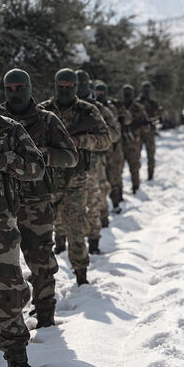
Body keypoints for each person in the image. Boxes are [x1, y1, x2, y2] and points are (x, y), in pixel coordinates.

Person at [0, 69, 78, 328]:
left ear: (29, 88)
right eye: (9, 89)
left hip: (36, 203)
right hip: (1, 204)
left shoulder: (47, 120)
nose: (14, 93)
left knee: (42, 261)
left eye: (19, 88)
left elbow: (70, 157)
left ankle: (45, 316)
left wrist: (38, 155)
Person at [0, 71, 45, 367]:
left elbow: (37, 167)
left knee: (5, 293)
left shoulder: (6, 128)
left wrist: (1, 160)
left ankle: (17, 361)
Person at [41, 68, 110, 285]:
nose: (65, 90)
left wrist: (81, 141)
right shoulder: (43, 110)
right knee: (42, 232)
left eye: (69, 86)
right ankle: (42, 279)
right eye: (61, 86)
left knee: (76, 228)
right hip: (48, 180)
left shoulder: (87, 111)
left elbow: (106, 139)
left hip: (76, 179)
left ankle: (81, 275)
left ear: (76, 87)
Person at [76, 69, 113, 253]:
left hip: (92, 160)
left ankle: (93, 240)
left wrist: (85, 140)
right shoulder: (59, 108)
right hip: (66, 162)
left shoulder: (96, 109)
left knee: (93, 198)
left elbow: (112, 134)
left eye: (83, 84)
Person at [95, 81, 124, 214]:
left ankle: (116, 202)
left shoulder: (109, 109)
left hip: (111, 148)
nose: (99, 94)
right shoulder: (91, 107)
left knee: (113, 176)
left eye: (101, 92)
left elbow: (115, 128)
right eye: (97, 91)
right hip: (96, 150)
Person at [116, 84, 150, 194]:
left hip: (133, 142)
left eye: (129, 92)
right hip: (119, 142)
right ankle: (118, 191)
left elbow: (146, 124)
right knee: (118, 168)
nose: (127, 94)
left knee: (134, 166)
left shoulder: (138, 108)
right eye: (125, 92)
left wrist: (141, 127)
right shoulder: (118, 106)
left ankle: (136, 188)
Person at [137, 81, 162, 181]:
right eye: (145, 89)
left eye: (148, 89)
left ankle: (150, 176)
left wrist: (158, 113)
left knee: (151, 156)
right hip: (139, 132)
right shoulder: (137, 102)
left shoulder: (153, 103)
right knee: (136, 157)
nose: (146, 91)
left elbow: (158, 118)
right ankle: (136, 178)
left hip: (150, 132)